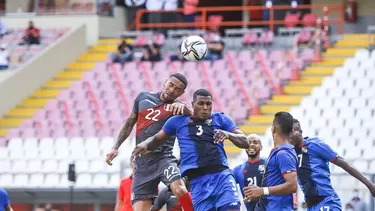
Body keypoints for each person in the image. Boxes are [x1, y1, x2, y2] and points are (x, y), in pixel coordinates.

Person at [132, 88, 249, 211]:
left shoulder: (221, 119)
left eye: (208, 104)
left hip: (222, 176)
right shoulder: (177, 121)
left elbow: (245, 142)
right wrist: (144, 145)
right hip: (197, 183)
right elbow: (157, 139)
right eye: (201, 103)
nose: (205, 107)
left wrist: (228, 134)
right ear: (193, 104)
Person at [106, 73, 194, 211]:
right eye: (171, 85)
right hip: (142, 164)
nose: (172, 90)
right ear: (165, 82)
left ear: (181, 93)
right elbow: (129, 123)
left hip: (164, 159)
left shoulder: (179, 108)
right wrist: (115, 147)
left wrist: (187, 110)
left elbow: (196, 117)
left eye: (177, 89)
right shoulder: (143, 98)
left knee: (180, 190)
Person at [290, 119, 375, 211]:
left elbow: (342, 162)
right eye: (288, 132)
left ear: (300, 132)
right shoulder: (290, 153)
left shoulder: (314, 145)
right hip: (311, 206)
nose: (290, 135)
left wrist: (370, 185)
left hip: (327, 202)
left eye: (293, 131)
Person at [244, 111, 298, 211]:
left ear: (273, 129)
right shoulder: (279, 152)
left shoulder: (284, 154)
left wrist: (262, 191)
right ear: (291, 130)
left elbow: (292, 185)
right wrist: (257, 192)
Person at [232, 134, 266, 211]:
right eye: (248, 142)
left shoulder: (269, 164)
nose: (251, 145)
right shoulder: (238, 170)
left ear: (261, 147)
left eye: (255, 142)